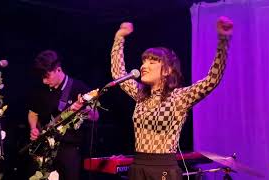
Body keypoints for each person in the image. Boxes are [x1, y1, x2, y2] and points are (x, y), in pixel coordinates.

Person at [110, 16, 233, 180]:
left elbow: (212, 80)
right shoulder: (140, 95)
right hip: (138, 168)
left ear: (167, 70)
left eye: (152, 62)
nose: (144, 66)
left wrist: (223, 41)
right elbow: (118, 73)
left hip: (164, 169)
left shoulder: (179, 98)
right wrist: (119, 38)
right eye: (144, 61)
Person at [27, 50, 99, 180]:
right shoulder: (41, 89)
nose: (44, 81)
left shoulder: (78, 87)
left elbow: (96, 116)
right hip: (45, 148)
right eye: (42, 77)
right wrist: (33, 128)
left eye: (47, 76)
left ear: (58, 70)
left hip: (69, 150)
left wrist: (84, 110)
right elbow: (32, 112)